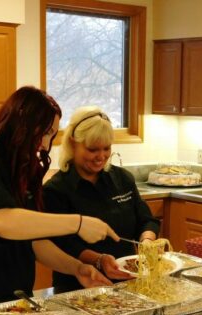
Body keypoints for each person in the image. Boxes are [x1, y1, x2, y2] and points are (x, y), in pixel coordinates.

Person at [0, 87, 119, 305]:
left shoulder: (19, 168)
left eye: (51, 135)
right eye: (44, 132)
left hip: (7, 298)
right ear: (21, 125)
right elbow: (1, 222)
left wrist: (77, 268)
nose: (46, 144)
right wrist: (78, 223)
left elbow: (34, 242)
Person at [43, 106, 160, 292]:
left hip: (128, 282)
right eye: (92, 149)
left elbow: (147, 220)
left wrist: (146, 243)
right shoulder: (56, 189)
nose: (101, 156)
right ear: (73, 144)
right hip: (78, 286)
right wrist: (99, 260)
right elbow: (63, 245)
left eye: (106, 148)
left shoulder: (123, 179)